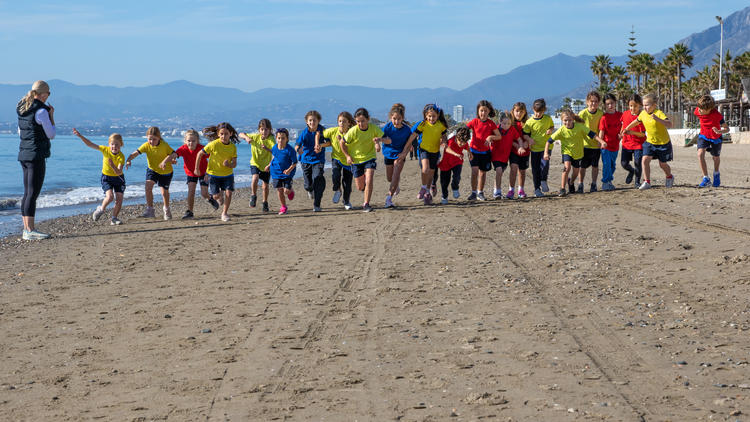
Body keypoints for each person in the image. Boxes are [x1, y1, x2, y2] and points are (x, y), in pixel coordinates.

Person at [16, 80, 55, 240]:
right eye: (48, 94)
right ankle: (30, 230)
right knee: (33, 193)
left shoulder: (22, 108)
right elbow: (51, 134)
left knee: (27, 193)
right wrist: (51, 116)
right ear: (44, 94)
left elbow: (20, 132)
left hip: (24, 154)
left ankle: (27, 228)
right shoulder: (41, 111)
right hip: (36, 155)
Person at [545, 109, 606, 196]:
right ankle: (562, 188)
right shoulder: (561, 130)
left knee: (576, 172)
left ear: (573, 119)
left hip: (578, 153)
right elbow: (549, 141)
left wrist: (601, 141)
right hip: (567, 152)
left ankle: (571, 182)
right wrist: (546, 153)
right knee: (567, 167)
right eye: (565, 120)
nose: (567, 122)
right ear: (562, 121)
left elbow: (592, 134)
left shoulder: (579, 127)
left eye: (569, 120)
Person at [72, 129, 125, 225]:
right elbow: (90, 144)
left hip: (118, 178)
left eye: (117, 144)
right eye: (112, 144)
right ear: (109, 144)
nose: (114, 147)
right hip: (106, 178)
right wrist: (80, 136)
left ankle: (114, 218)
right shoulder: (105, 150)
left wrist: (112, 165)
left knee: (119, 198)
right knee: (110, 197)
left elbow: (119, 171)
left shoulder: (121, 156)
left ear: (121, 145)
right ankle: (101, 209)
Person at [621, 93, 674, 190]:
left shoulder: (659, 113)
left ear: (654, 105)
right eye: (644, 105)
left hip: (663, 143)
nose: (644, 107)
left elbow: (670, 124)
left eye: (647, 105)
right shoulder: (643, 114)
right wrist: (626, 128)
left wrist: (658, 119)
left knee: (662, 164)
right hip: (650, 142)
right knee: (644, 160)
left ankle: (669, 176)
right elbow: (636, 121)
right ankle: (647, 182)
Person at [341, 107, 388, 212]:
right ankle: (365, 189)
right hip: (356, 160)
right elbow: (342, 143)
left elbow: (388, 140)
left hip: (369, 158)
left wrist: (379, 140)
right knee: (360, 186)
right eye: (358, 121)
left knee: (369, 178)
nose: (360, 124)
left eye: (363, 121)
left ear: (368, 119)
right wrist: (347, 156)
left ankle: (366, 204)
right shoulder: (353, 131)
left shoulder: (374, 128)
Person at [162, 129, 215, 219]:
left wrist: (209, 172)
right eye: (188, 141)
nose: (191, 143)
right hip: (191, 173)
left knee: (204, 193)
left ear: (197, 141)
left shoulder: (201, 148)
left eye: (193, 141)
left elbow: (213, 158)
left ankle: (210, 199)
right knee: (191, 191)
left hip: (203, 172)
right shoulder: (183, 148)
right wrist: (165, 161)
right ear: (185, 141)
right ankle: (190, 212)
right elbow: (174, 155)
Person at [125, 126, 174, 220]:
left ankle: (166, 209)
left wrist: (170, 160)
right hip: (152, 170)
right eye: (149, 139)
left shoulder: (164, 145)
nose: (151, 141)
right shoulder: (146, 145)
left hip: (165, 171)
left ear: (159, 138)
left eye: (154, 139)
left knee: (164, 192)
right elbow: (135, 153)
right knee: (148, 187)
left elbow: (173, 154)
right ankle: (150, 210)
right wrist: (128, 160)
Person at [195, 122, 238, 221]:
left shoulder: (232, 147)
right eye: (221, 134)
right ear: (218, 134)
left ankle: (224, 213)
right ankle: (219, 196)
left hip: (228, 174)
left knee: (229, 193)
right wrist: (196, 168)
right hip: (213, 175)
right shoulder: (213, 144)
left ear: (230, 134)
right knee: (215, 196)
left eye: (226, 134)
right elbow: (199, 154)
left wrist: (229, 165)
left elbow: (234, 164)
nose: (223, 136)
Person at [406, 104, 448, 205]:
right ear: (425, 115)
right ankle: (423, 187)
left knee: (431, 174)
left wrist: (445, 142)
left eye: (433, 116)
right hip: (423, 150)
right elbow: (413, 135)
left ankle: (428, 191)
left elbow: (444, 136)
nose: (431, 118)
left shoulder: (441, 125)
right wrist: (407, 147)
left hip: (435, 151)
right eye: (429, 116)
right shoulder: (422, 124)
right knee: (425, 169)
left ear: (437, 115)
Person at [466, 100, 501, 201]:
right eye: (481, 110)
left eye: (485, 111)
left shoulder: (491, 124)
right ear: (478, 111)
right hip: (473, 151)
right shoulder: (474, 121)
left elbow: (499, 136)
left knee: (482, 173)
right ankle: (473, 193)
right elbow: (464, 130)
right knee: (474, 171)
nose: (483, 113)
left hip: (485, 153)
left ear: (489, 111)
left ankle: (480, 193)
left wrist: (491, 137)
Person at [380, 103, 413, 208]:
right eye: (394, 119)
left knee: (395, 175)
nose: (396, 121)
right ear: (391, 117)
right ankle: (395, 186)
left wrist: (404, 153)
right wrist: (378, 141)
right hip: (388, 153)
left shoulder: (407, 129)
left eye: (399, 119)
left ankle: (389, 198)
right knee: (389, 178)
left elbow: (409, 144)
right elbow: (382, 138)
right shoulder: (387, 127)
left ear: (402, 118)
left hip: (400, 154)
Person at [295, 110, 328, 212]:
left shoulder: (323, 131)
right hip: (305, 160)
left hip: (318, 160)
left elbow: (330, 143)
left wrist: (321, 145)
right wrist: (298, 149)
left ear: (318, 121)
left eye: (314, 120)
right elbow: (297, 145)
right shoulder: (304, 133)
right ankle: (309, 190)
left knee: (317, 179)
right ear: (306, 121)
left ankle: (317, 205)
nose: (312, 122)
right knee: (308, 185)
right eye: (310, 120)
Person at [239, 119, 275, 212]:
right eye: (262, 129)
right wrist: (246, 138)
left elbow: (276, 152)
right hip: (255, 163)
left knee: (265, 186)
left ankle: (265, 202)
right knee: (255, 178)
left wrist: (270, 163)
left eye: (266, 129)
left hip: (266, 166)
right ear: (259, 130)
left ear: (270, 130)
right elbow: (241, 134)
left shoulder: (271, 139)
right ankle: (253, 195)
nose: (264, 132)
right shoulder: (255, 137)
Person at [322, 112, 355, 210]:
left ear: (349, 123)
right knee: (335, 175)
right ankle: (337, 189)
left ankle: (346, 201)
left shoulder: (352, 132)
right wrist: (320, 143)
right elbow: (320, 133)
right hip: (336, 157)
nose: (341, 123)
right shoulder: (333, 131)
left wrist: (343, 141)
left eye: (344, 121)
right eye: (340, 121)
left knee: (347, 183)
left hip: (349, 159)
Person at [694, 95, 729, 187]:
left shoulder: (717, 115)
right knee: (700, 154)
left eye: (702, 109)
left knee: (715, 157)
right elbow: (699, 111)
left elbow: (727, 129)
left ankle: (716, 173)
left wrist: (719, 131)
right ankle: (706, 178)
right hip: (704, 136)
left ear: (710, 109)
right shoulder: (697, 110)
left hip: (716, 138)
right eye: (699, 108)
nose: (699, 110)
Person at [523, 99, 555, 197]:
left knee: (545, 165)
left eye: (540, 112)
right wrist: (529, 140)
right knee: (535, 169)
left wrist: (550, 130)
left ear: (544, 110)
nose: (538, 114)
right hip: (535, 149)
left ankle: (543, 180)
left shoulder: (548, 118)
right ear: (533, 109)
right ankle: (537, 189)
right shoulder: (529, 122)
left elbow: (552, 127)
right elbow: (525, 134)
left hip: (546, 147)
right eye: (536, 112)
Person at [577, 91, 604, 193]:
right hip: (584, 145)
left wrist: (601, 140)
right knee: (582, 166)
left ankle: (594, 183)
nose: (594, 103)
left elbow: (602, 128)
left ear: (599, 103)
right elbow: (577, 128)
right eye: (591, 101)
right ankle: (580, 183)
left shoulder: (601, 114)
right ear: (587, 102)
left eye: (596, 101)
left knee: (595, 166)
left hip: (596, 145)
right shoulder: (582, 114)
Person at [438, 127, 470, 204]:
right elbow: (447, 149)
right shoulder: (451, 140)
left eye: (464, 142)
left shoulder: (464, 140)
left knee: (457, 176)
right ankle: (444, 196)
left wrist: (470, 153)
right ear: (457, 137)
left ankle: (455, 187)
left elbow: (467, 147)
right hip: (446, 163)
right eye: (460, 142)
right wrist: (456, 154)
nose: (462, 144)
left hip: (457, 161)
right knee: (444, 182)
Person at [620, 94, 646, 188]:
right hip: (626, 143)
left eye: (635, 106)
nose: (632, 108)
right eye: (631, 106)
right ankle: (631, 171)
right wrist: (621, 133)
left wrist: (631, 132)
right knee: (624, 163)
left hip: (638, 144)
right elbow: (623, 125)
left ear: (640, 105)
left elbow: (643, 134)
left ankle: (637, 182)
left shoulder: (642, 116)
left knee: (638, 162)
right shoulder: (625, 114)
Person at [269, 128, 297, 215]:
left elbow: (295, 162)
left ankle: (290, 190)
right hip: (276, 172)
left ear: (287, 139)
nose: (281, 140)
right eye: (279, 138)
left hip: (288, 173)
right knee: (279, 190)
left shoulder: (290, 150)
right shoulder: (274, 147)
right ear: (276, 138)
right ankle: (283, 207)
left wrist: (289, 170)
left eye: (283, 138)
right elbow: (274, 158)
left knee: (286, 191)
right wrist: (268, 165)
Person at [491, 113, 519, 199]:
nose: (506, 125)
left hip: (505, 157)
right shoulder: (496, 129)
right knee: (499, 170)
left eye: (508, 124)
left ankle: (497, 190)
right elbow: (489, 136)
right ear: (500, 122)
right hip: (495, 155)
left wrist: (520, 146)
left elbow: (518, 139)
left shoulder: (512, 130)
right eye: (504, 123)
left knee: (500, 172)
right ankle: (497, 192)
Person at [598, 94, 623, 191]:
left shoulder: (620, 115)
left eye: (611, 103)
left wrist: (621, 135)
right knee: (606, 164)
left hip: (615, 146)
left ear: (615, 103)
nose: (610, 106)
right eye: (607, 104)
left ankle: (609, 181)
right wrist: (601, 143)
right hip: (605, 146)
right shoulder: (604, 118)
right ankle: (605, 182)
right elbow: (601, 131)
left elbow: (624, 128)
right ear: (604, 105)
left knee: (612, 165)